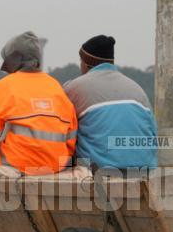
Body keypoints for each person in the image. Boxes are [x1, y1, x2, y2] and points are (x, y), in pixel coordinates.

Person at [0, 31, 77, 175]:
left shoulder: (4, 87)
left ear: (14, 61)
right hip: (55, 170)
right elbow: (71, 141)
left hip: (14, 170)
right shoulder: (56, 88)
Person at [63, 35, 157, 170]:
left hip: (98, 169)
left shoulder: (74, 88)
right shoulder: (137, 89)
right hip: (143, 168)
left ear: (86, 63)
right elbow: (153, 132)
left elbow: (59, 129)